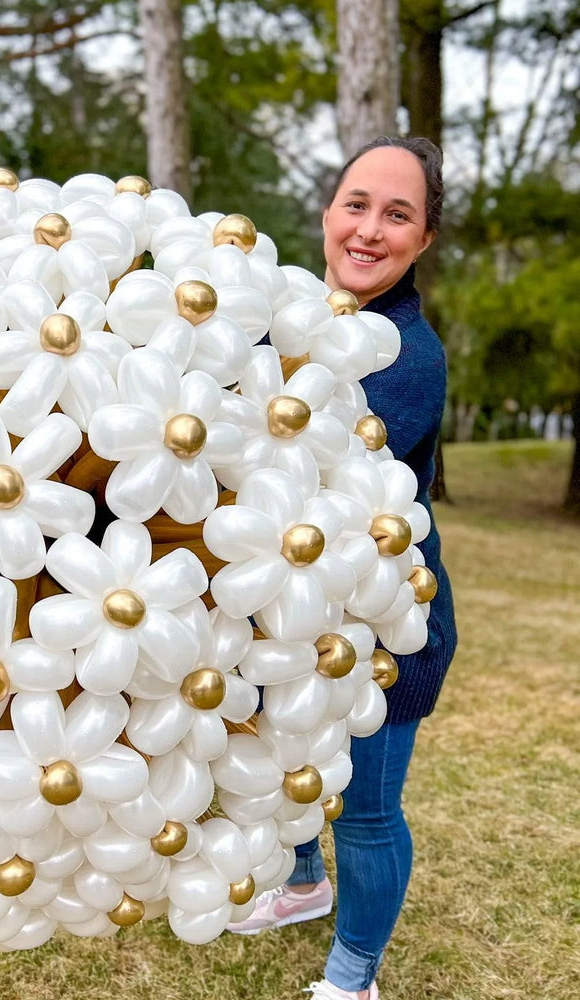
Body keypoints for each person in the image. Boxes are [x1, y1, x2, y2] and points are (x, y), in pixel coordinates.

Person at [226, 136, 458, 1000]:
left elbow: (313, 484)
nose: (369, 230)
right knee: (290, 765)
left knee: (364, 811)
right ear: (327, 214)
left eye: (398, 214)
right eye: (355, 204)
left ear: (424, 239)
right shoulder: (286, 319)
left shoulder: (407, 357)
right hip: (289, 612)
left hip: (386, 632)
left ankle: (354, 975)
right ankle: (299, 887)